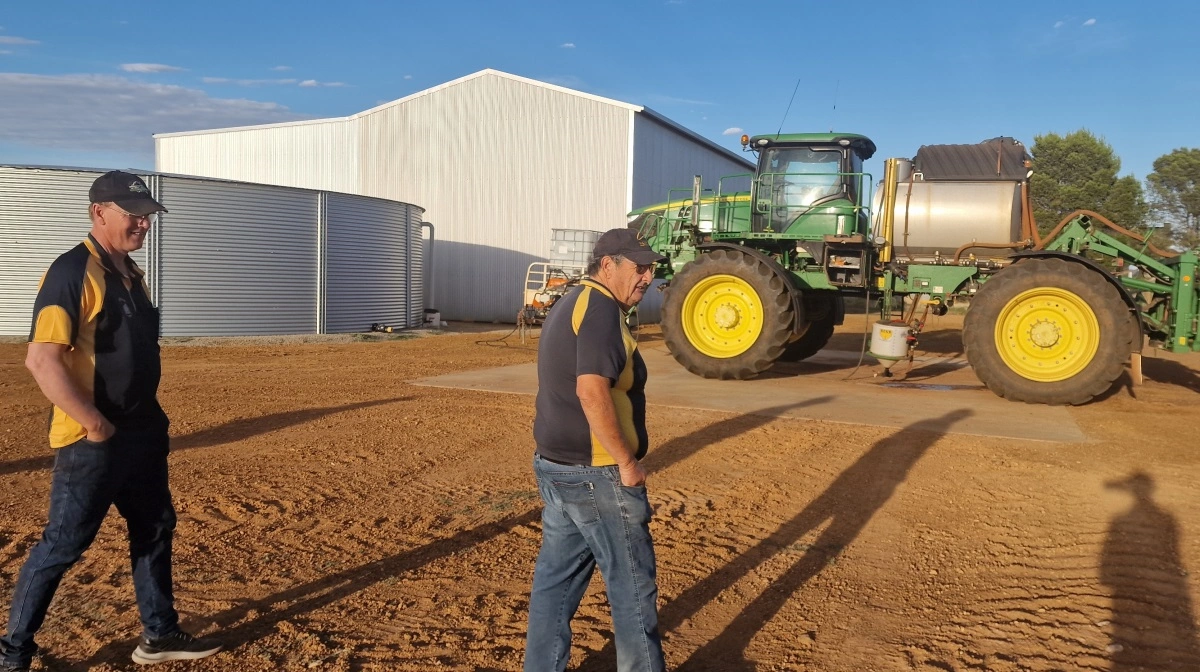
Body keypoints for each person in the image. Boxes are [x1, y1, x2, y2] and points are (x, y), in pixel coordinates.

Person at [0, 171, 222, 670]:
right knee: (63, 545)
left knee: (154, 528)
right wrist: (95, 425)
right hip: (93, 439)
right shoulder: (72, 271)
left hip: (143, 431)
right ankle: (12, 653)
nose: (143, 224)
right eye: (132, 214)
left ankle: (159, 634)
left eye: (146, 216)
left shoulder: (130, 272)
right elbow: (42, 360)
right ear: (98, 212)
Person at [525, 228, 667, 672]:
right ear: (608, 265)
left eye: (651, 268)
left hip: (558, 469)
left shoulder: (573, 301)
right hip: (598, 475)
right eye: (638, 267)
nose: (647, 276)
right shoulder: (602, 310)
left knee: (556, 584)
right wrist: (626, 461)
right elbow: (591, 390)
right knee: (631, 589)